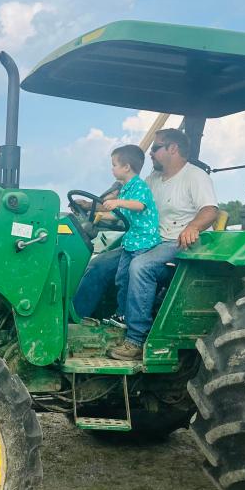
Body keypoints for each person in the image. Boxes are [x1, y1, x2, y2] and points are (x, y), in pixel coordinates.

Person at [72, 128, 219, 359]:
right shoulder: (152, 180)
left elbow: (210, 210)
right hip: (148, 239)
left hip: (178, 241)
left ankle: (136, 339)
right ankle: (75, 321)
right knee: (99, 264)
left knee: (140, 266)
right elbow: (127, 204)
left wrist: (193, 227)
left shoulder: (195, 176)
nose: (150, 154)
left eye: (155, 148)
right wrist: (91, 205)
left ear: (173, 148)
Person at [99, 145, 161, 358]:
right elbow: (121, 215)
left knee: (135, 278)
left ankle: (135, 329)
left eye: (114, 165)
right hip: (131, 240)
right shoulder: (125, 188)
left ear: (126, 166)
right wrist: (97, 216)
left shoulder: (139, 187)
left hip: (144, 241)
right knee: (121, 278)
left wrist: (117, 201)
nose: (112, 169)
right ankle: (122, 315)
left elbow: (139, 206)